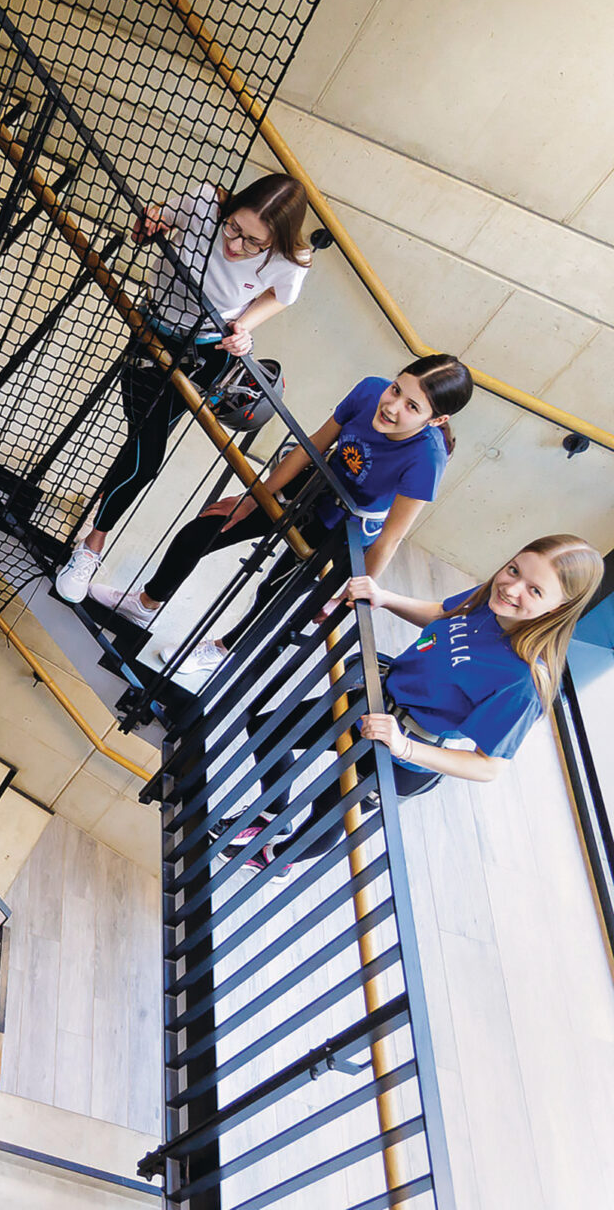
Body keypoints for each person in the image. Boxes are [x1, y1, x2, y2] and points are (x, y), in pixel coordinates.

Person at [223, 534, 603, 875]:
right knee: (268, 731)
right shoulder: (492, 600)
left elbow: (489, 766)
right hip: (373, 702)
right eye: (514, 569)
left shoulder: (524, 682)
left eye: (534, 590)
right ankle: (271, 812)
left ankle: (275, 857)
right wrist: (385, 598)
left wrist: (403, 746)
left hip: (402, 752)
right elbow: (441, 613)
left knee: (326, 813)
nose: (512, 588)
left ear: (560, 607)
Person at [89, 354, 473, 673]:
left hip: (345, 527)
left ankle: (222, 649)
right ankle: (146, 604)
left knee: (274, 591)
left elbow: (391, 538)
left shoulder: (427, 459)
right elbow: (312, 446)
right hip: (314, 485)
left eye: (412, 407)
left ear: (436, 420)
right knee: (204, 529)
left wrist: (348, 594)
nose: (391, 406)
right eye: (397, 389)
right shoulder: (370, 390)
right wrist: (253, 498)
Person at [54, 173, 313, 604]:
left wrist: (244, 326)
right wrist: (149, 224)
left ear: (275, 242)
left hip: (207, 355)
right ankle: (92, 546)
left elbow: (282, 297)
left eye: (254, 242)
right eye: (233, 228)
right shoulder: (203, 202)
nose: (236, 245)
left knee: (144, 445)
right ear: (229, 210)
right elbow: (155, 222)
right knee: (146, 456)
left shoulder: (292, 259)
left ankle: (92, 533)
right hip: (154, 337)